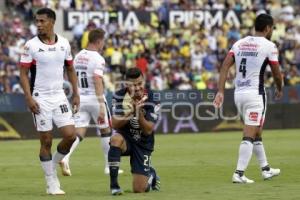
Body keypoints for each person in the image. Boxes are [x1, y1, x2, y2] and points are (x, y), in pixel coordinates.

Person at [213, 13, 283, 183]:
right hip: (255, 95)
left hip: (239, 94)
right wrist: (280, 87)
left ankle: (266, 169)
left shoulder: (239, 43)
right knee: (250, 134)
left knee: (256, 131)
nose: (272, 30)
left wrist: (220, 91)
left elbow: (224, 67)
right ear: (267, 28)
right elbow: (276, 71)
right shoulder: (269, 46)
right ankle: (238, 173)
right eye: (272, 28)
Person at [19, 8, 80, 195]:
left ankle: (53, 165)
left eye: (42, 21)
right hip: (40, 97)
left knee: (71, 135)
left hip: (59, 96)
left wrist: (76, 93)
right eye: (37, 21)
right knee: (46, 140)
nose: (38, 24)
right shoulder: (30, 46)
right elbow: (23, 73)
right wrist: (28, 97)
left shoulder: (64, 43)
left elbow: (70, 69)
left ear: (52, 22)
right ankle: (51, 182)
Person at [59, 28, 123, 176]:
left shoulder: (78, 56)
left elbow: (72, 75)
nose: (103, 45)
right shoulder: (98, 58)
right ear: (99, 41)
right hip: (95, 98)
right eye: (103, 42)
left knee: (79, 132)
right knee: (106, 131)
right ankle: (109, 167)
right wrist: (101, 103)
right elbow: (97, 80)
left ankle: (66, 157)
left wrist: (76, 94)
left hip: (81, 97)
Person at [109, 67, 161, 195]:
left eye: (140, 83)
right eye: (133, 85)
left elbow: (148, 130)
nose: (137, 88)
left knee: (139, 189)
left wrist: (138, 113)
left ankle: (151, 175)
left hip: (143, 143)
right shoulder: (119, 96)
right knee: (115, 139)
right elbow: (115, 124)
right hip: (126, 138)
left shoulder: (153, 97)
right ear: (127, 85)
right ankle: (114, 186)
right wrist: (131, 111)